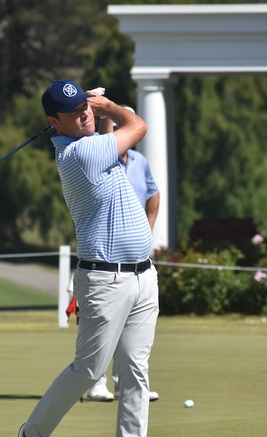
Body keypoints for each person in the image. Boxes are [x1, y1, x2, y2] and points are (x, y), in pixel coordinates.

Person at [9, 80, 159, 437]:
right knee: (89, 370)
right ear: (54, 122)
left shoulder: (92, 142)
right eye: (74, 112)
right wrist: (109, 105)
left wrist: (101, 112)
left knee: (135, 372)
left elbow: (111, 131)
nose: (85, 115)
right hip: (104, 280)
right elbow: (138, 125)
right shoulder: (80, 154)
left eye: (86, 107)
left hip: (144, 277)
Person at [86, 105, 161, 403]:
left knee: (132, 333)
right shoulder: (101, 157)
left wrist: (148, 229)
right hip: (106, 260)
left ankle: (125, 384)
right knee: (105, 328)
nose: (121, 130)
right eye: (116, 125)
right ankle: (96, 383)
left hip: (138, 262)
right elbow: (103, 140)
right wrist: (105, 116)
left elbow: (153, 194)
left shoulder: (140, 162)